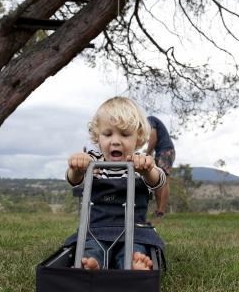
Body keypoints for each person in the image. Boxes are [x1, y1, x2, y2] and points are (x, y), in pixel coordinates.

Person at [65, 97, 166, 270]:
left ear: (139, 137)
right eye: (107, 134)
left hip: (134, 232)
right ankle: (91, 264)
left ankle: (133, 266)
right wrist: (77, 167)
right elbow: (73, 179)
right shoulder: (92, 163)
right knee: (91, 248)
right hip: (97, 231)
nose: (116, 141)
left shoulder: (140, 162)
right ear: (97, 137)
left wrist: (148, 170)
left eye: (125, 134)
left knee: (134, 250)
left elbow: (159, 181)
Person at [146, 115, 175, 217]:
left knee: (164, 180)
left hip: (166, 151)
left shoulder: (150, 119)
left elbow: (153, 138)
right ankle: (159, 211)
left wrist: (147, 153)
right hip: (159, 152)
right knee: (158, 181)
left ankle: (161, 211)